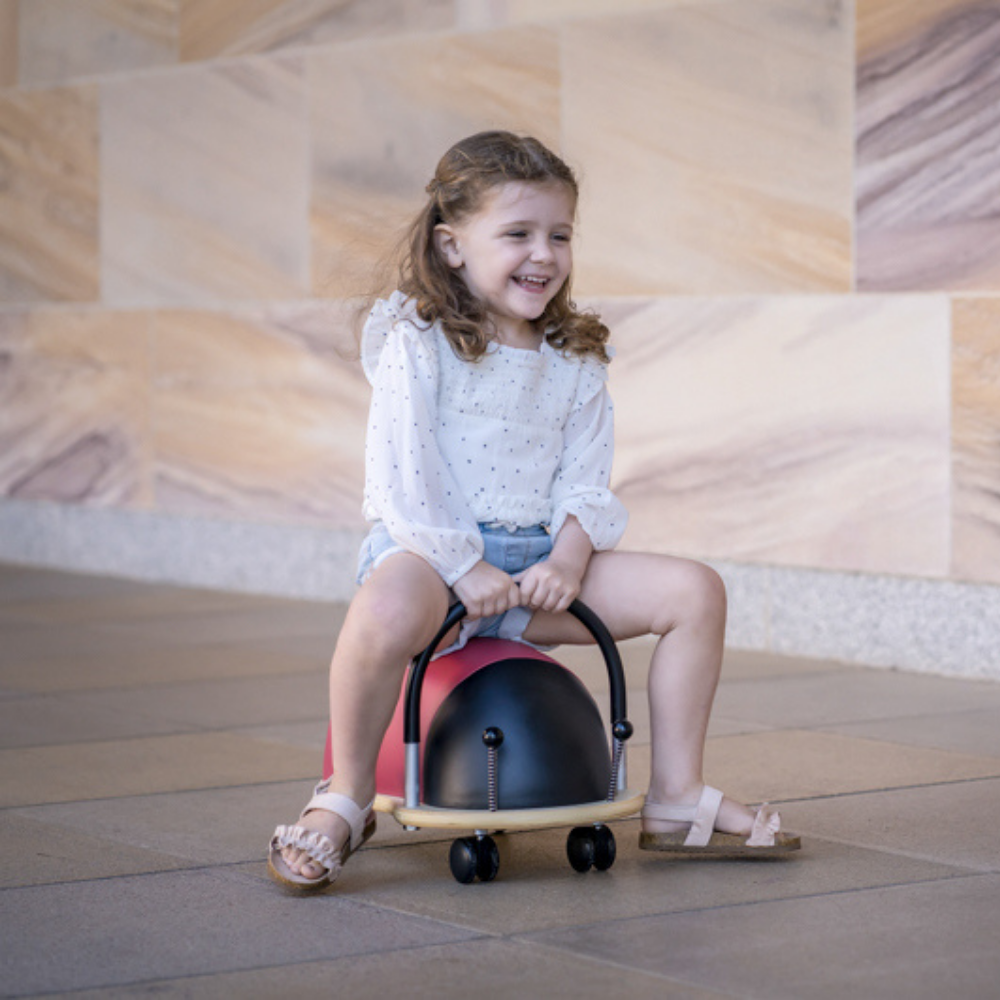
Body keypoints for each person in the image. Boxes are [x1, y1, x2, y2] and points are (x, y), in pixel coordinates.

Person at [268, 130, 799, 892]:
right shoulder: (418, 343)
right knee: (383, 609)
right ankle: (345, 796)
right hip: (432, 556)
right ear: (453, 246)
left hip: (536, 567)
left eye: (560, 235)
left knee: (695, 591)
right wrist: (462, 564)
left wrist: (568, 560)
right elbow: (404, 477)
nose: (543, 254)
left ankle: (678, 796)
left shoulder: (572, 356)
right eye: (517, 234)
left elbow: (585, 480)